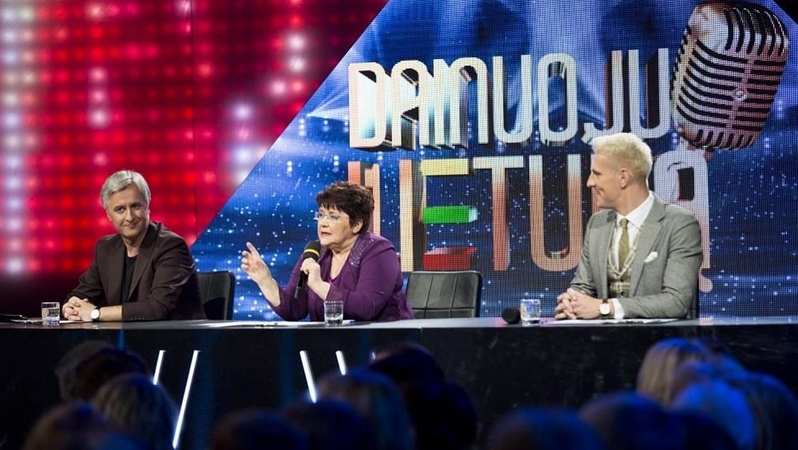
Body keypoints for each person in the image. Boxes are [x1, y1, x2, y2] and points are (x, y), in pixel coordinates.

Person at [555, 133, 702, 320]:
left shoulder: (679, 224)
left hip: (660, 337)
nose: (589, 182)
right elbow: (583, 286)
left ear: (623, 178)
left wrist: (606, 307)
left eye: (597, 174)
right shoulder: (597, 224)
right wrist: (572, 300)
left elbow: (676, 301)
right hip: (601, 336)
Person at [240, 181, 413, 322]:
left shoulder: (378, 251)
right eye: (321, 215)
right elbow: (294, 310)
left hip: (384, 345)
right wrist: (265, 281)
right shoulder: (315, 252)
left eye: (333, 217)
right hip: (330, 345)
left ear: (357, 224)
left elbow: (365, 308)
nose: (323, 223)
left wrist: (318, 285)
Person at [62, 170, 205, 321]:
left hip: (177, 335)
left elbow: (156, 308)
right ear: (109, 215)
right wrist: (70, 308)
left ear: (147, 207)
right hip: (127, 335)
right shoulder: (106, 248)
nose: (130, 217)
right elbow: (82, 294)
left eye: (135, 206)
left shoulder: (171, 246)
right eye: (120, 209)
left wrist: (95, 313)